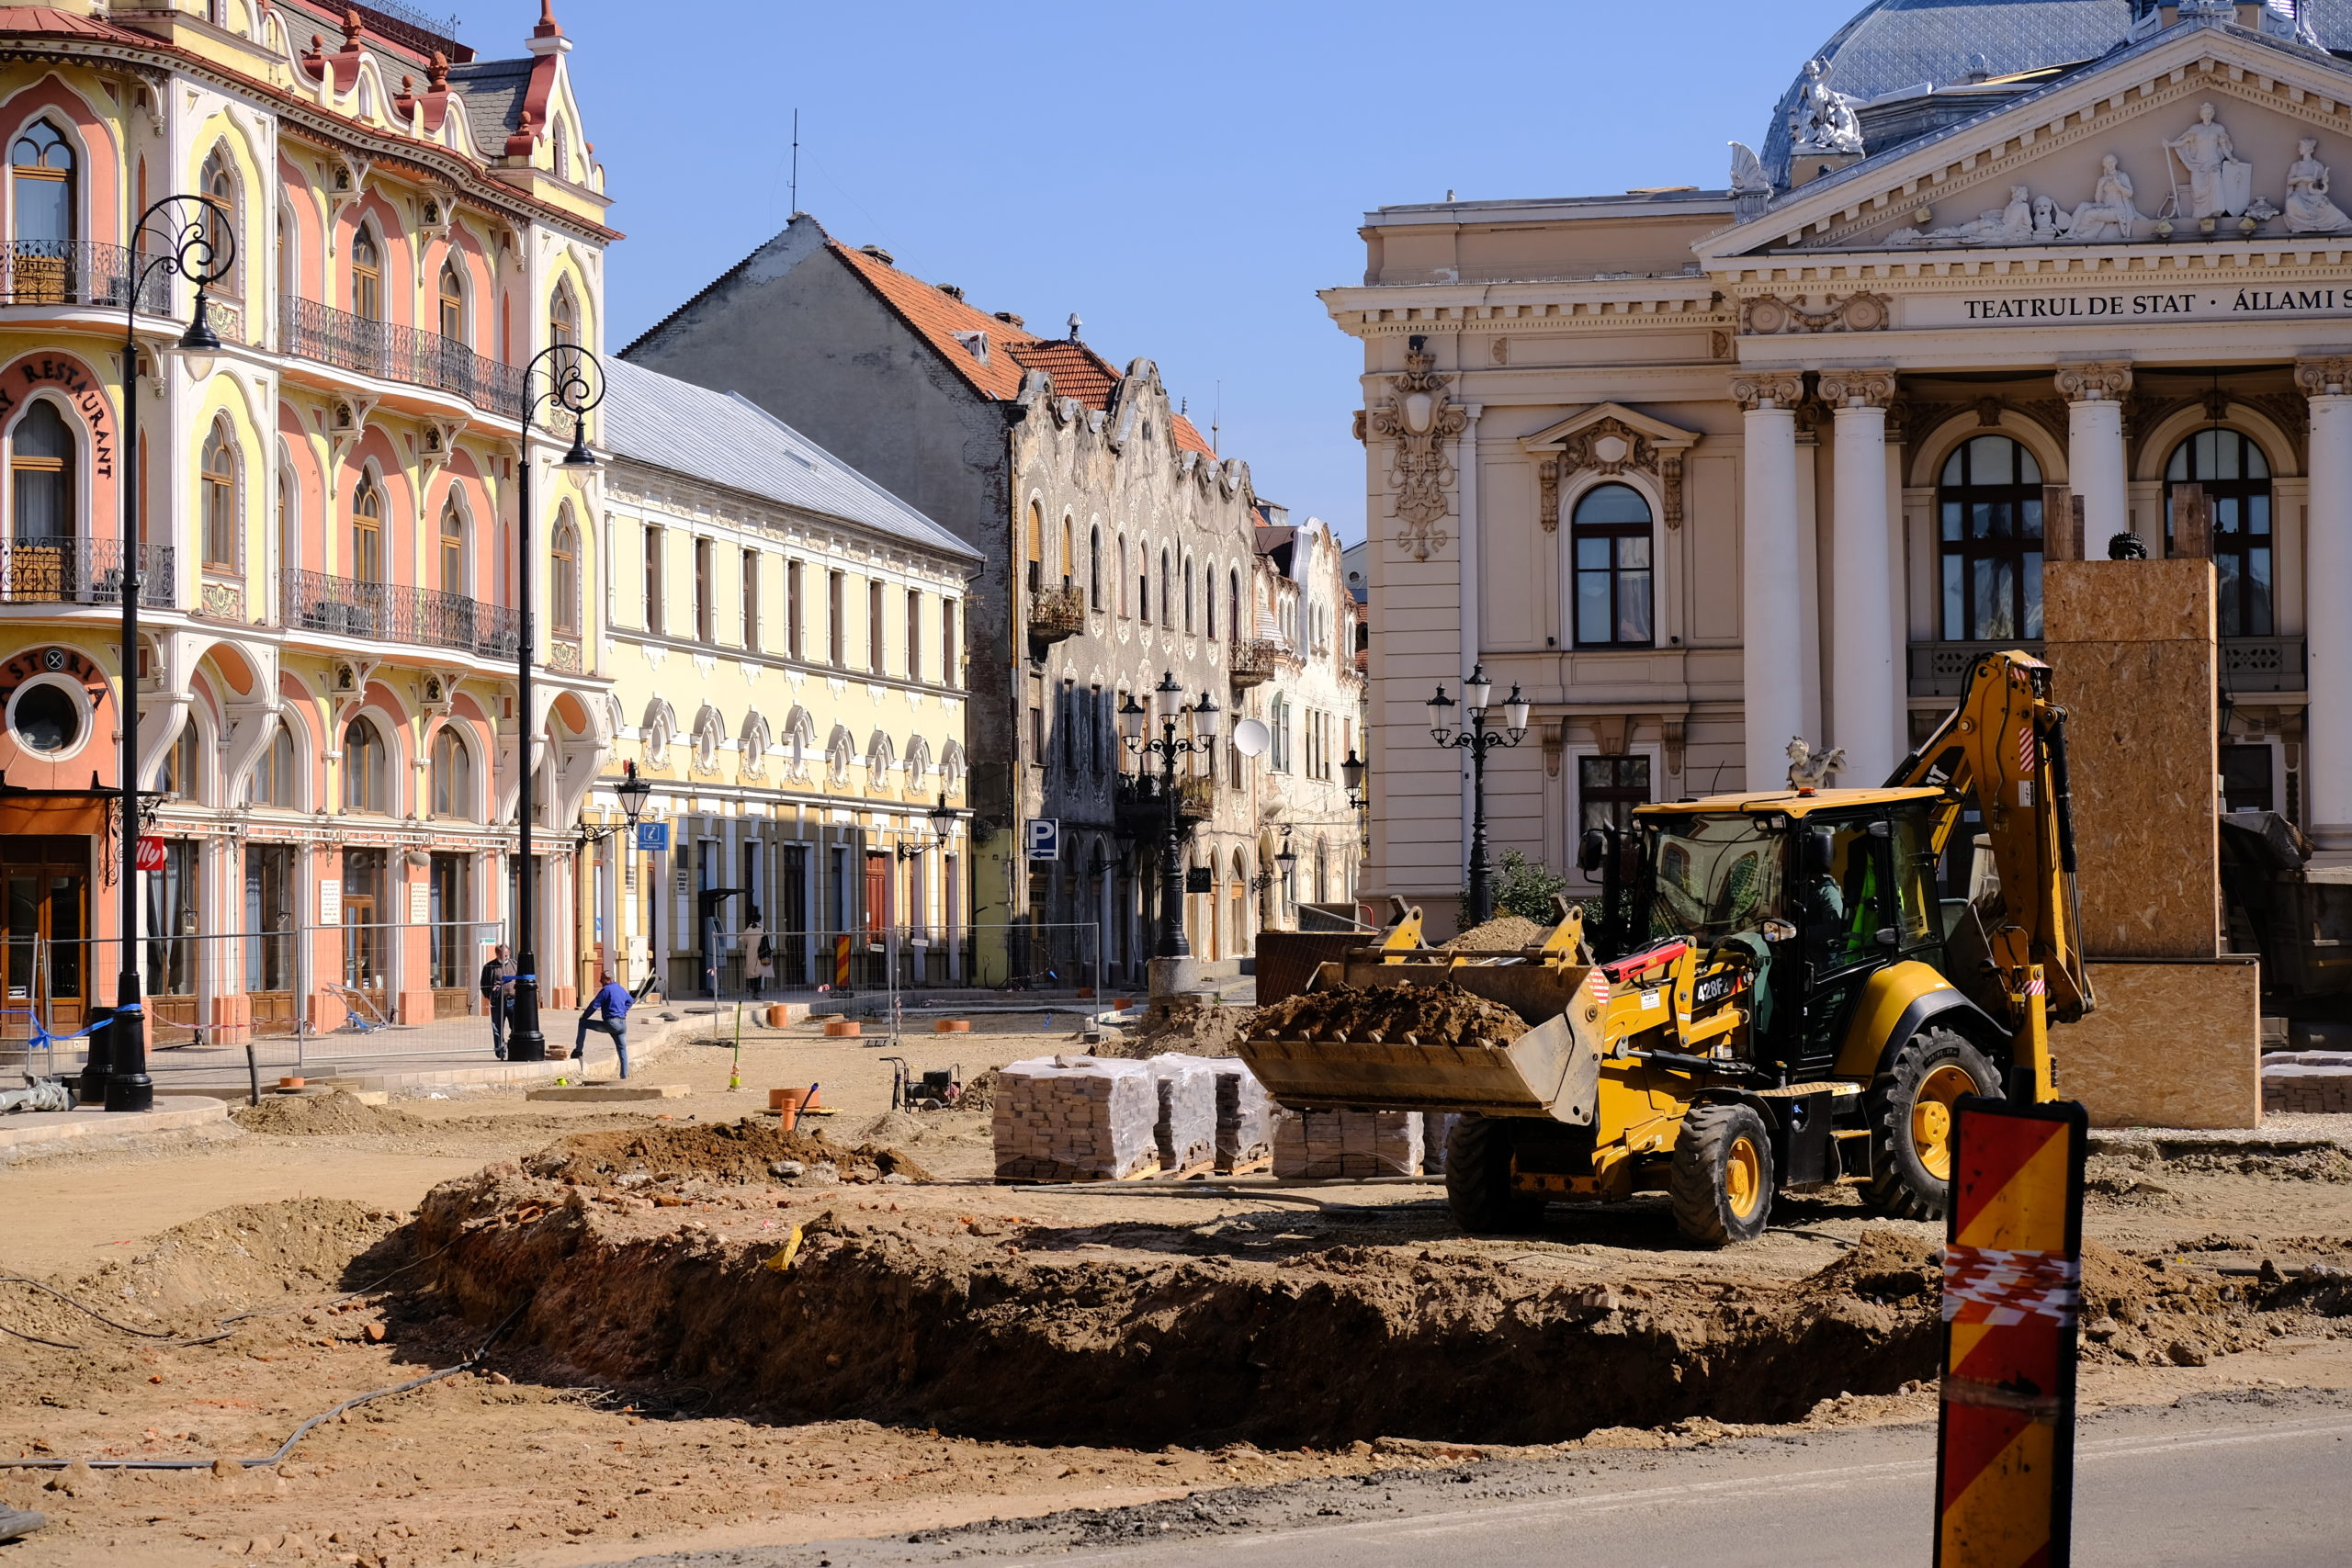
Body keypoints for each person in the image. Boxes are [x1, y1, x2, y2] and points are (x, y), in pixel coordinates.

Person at [574, 969, 632, 1079]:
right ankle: (624, 1076)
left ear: (608, 979)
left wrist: (585, 1016)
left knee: (583, 1023)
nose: (600, 981)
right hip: (622, 1024)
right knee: (622, 1049)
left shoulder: (606, 990)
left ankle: (578, 1050)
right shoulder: (620, 989)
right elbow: (630, 1000)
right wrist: (624, 1011)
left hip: (611, 1023)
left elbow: (594, 1005)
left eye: (602, 979)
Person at [479, 943, 514, 1059]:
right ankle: (500, 1051)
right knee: (497, 1028)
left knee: (516, 1027)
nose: (505, 958)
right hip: (498, 1002)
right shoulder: (489, 967)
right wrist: (490, 997)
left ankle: (514, 1049)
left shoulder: (515, 965)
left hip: (513, 1001)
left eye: (507, 955)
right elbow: (484, 985)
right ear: (497, 954)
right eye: (503, 955)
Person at [742, 907, 773, 999]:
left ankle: (752, 990)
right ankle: (757, 991)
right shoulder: (763, 929)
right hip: (761, 954)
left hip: (750, 954)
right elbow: (768, 943)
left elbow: (743, 940)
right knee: (759, 974)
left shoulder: (748, 929)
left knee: (751, 973)